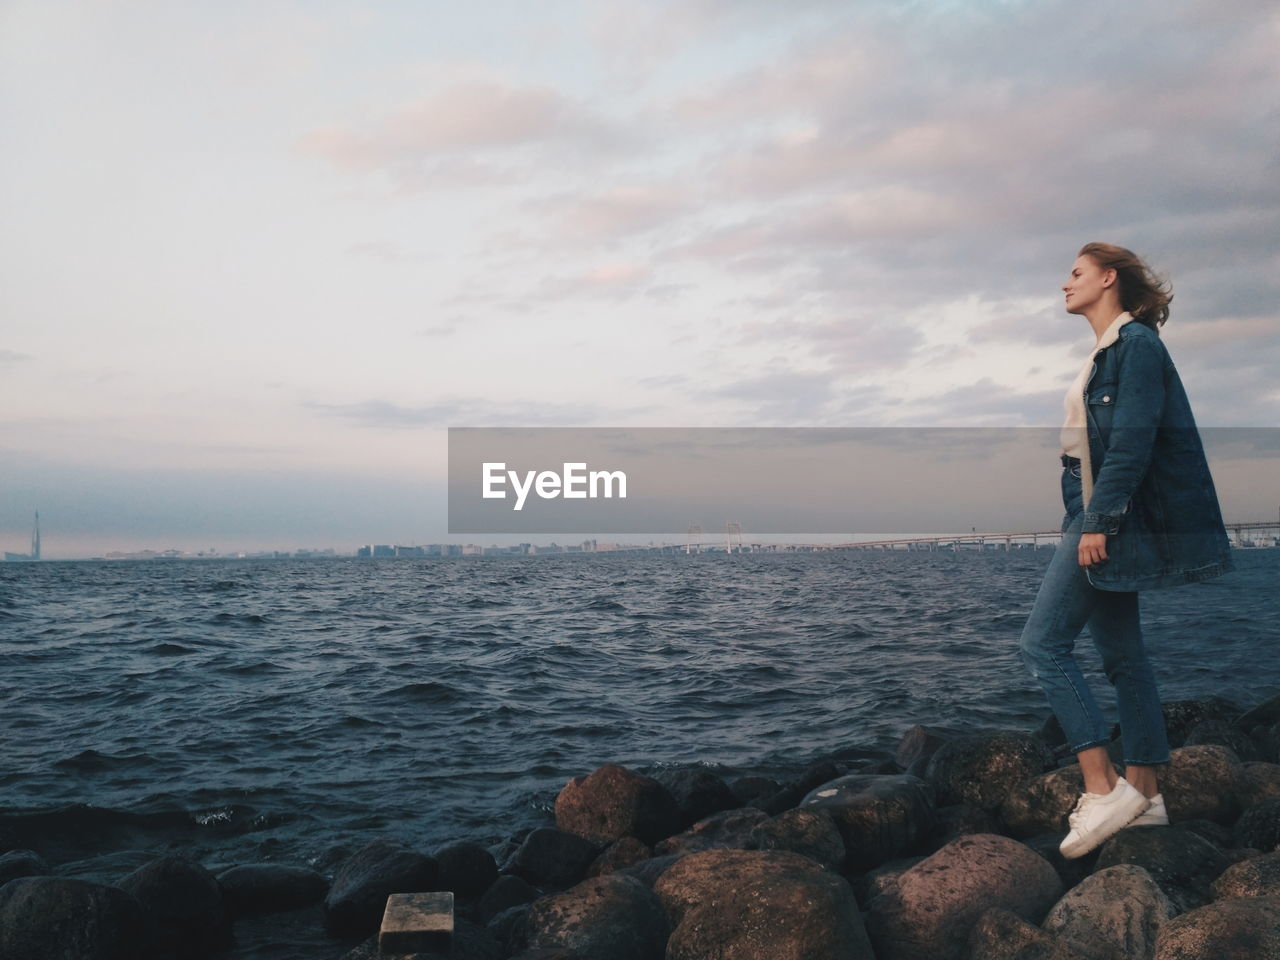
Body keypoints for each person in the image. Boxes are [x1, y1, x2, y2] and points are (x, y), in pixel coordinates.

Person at [1018, 242, 1234, 860]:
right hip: (1091, 507)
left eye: (1077, 273)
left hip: (1103, 513)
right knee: (1123, 655)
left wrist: (1099, 523)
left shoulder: (1136, 346)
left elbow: (1133, 444)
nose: (1065, 284)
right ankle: (1145, 790)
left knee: (1042, 644)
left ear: (1108, 278)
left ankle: (1101, 786)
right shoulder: (1107, 352)